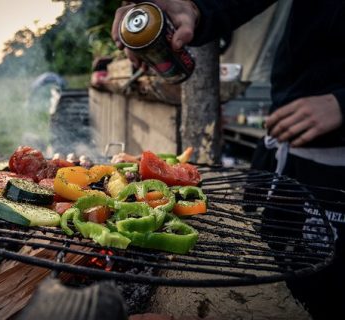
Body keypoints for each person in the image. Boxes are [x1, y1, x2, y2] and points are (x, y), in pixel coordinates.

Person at [112, 1, 345, 319]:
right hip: (290, 157)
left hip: (337, 169)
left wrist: (342, 104)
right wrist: (195, 9)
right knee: (280, 277)